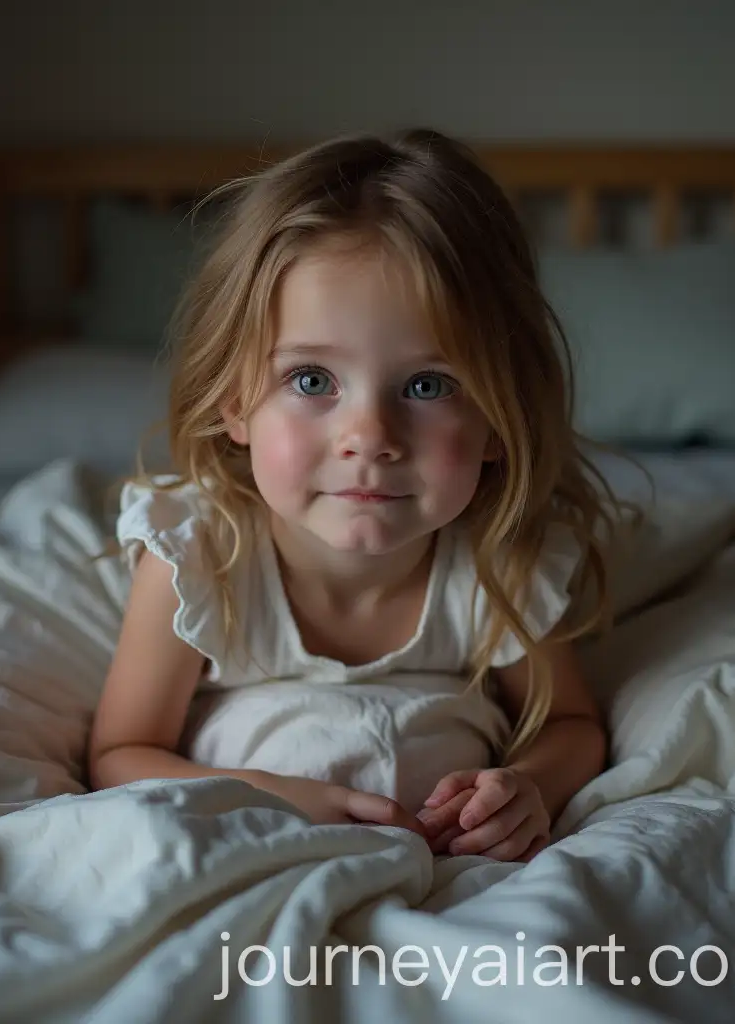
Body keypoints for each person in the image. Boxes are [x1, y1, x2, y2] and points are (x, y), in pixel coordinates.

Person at [87, 128, 632, 863]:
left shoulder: (500, 557)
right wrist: (270, 795)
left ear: (501, 419)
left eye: (428, 385)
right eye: (312, 380)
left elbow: (573, 724)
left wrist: (526, 786)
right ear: (234, 403)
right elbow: (121, 753)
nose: (370, 435)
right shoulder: (197, 558)